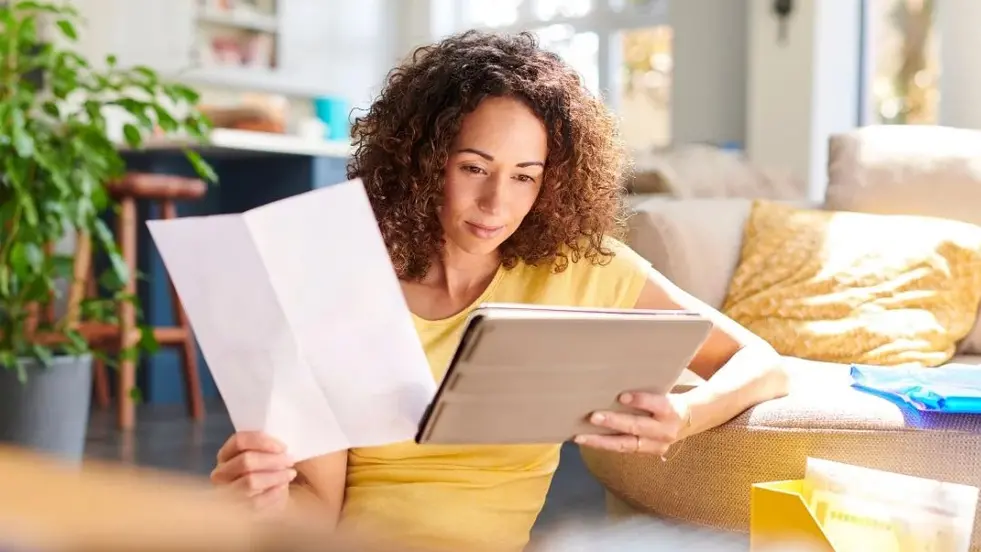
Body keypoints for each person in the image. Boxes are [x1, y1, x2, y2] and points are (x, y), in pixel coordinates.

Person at [209, 30, 788, 552]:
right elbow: (320, 509)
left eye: (524, 176)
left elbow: (761, 363)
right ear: (423, 161)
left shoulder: (581, 268)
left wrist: (685, 414)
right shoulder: (342, 283)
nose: (497, 205)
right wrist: (268, 499)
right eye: (473, 168)